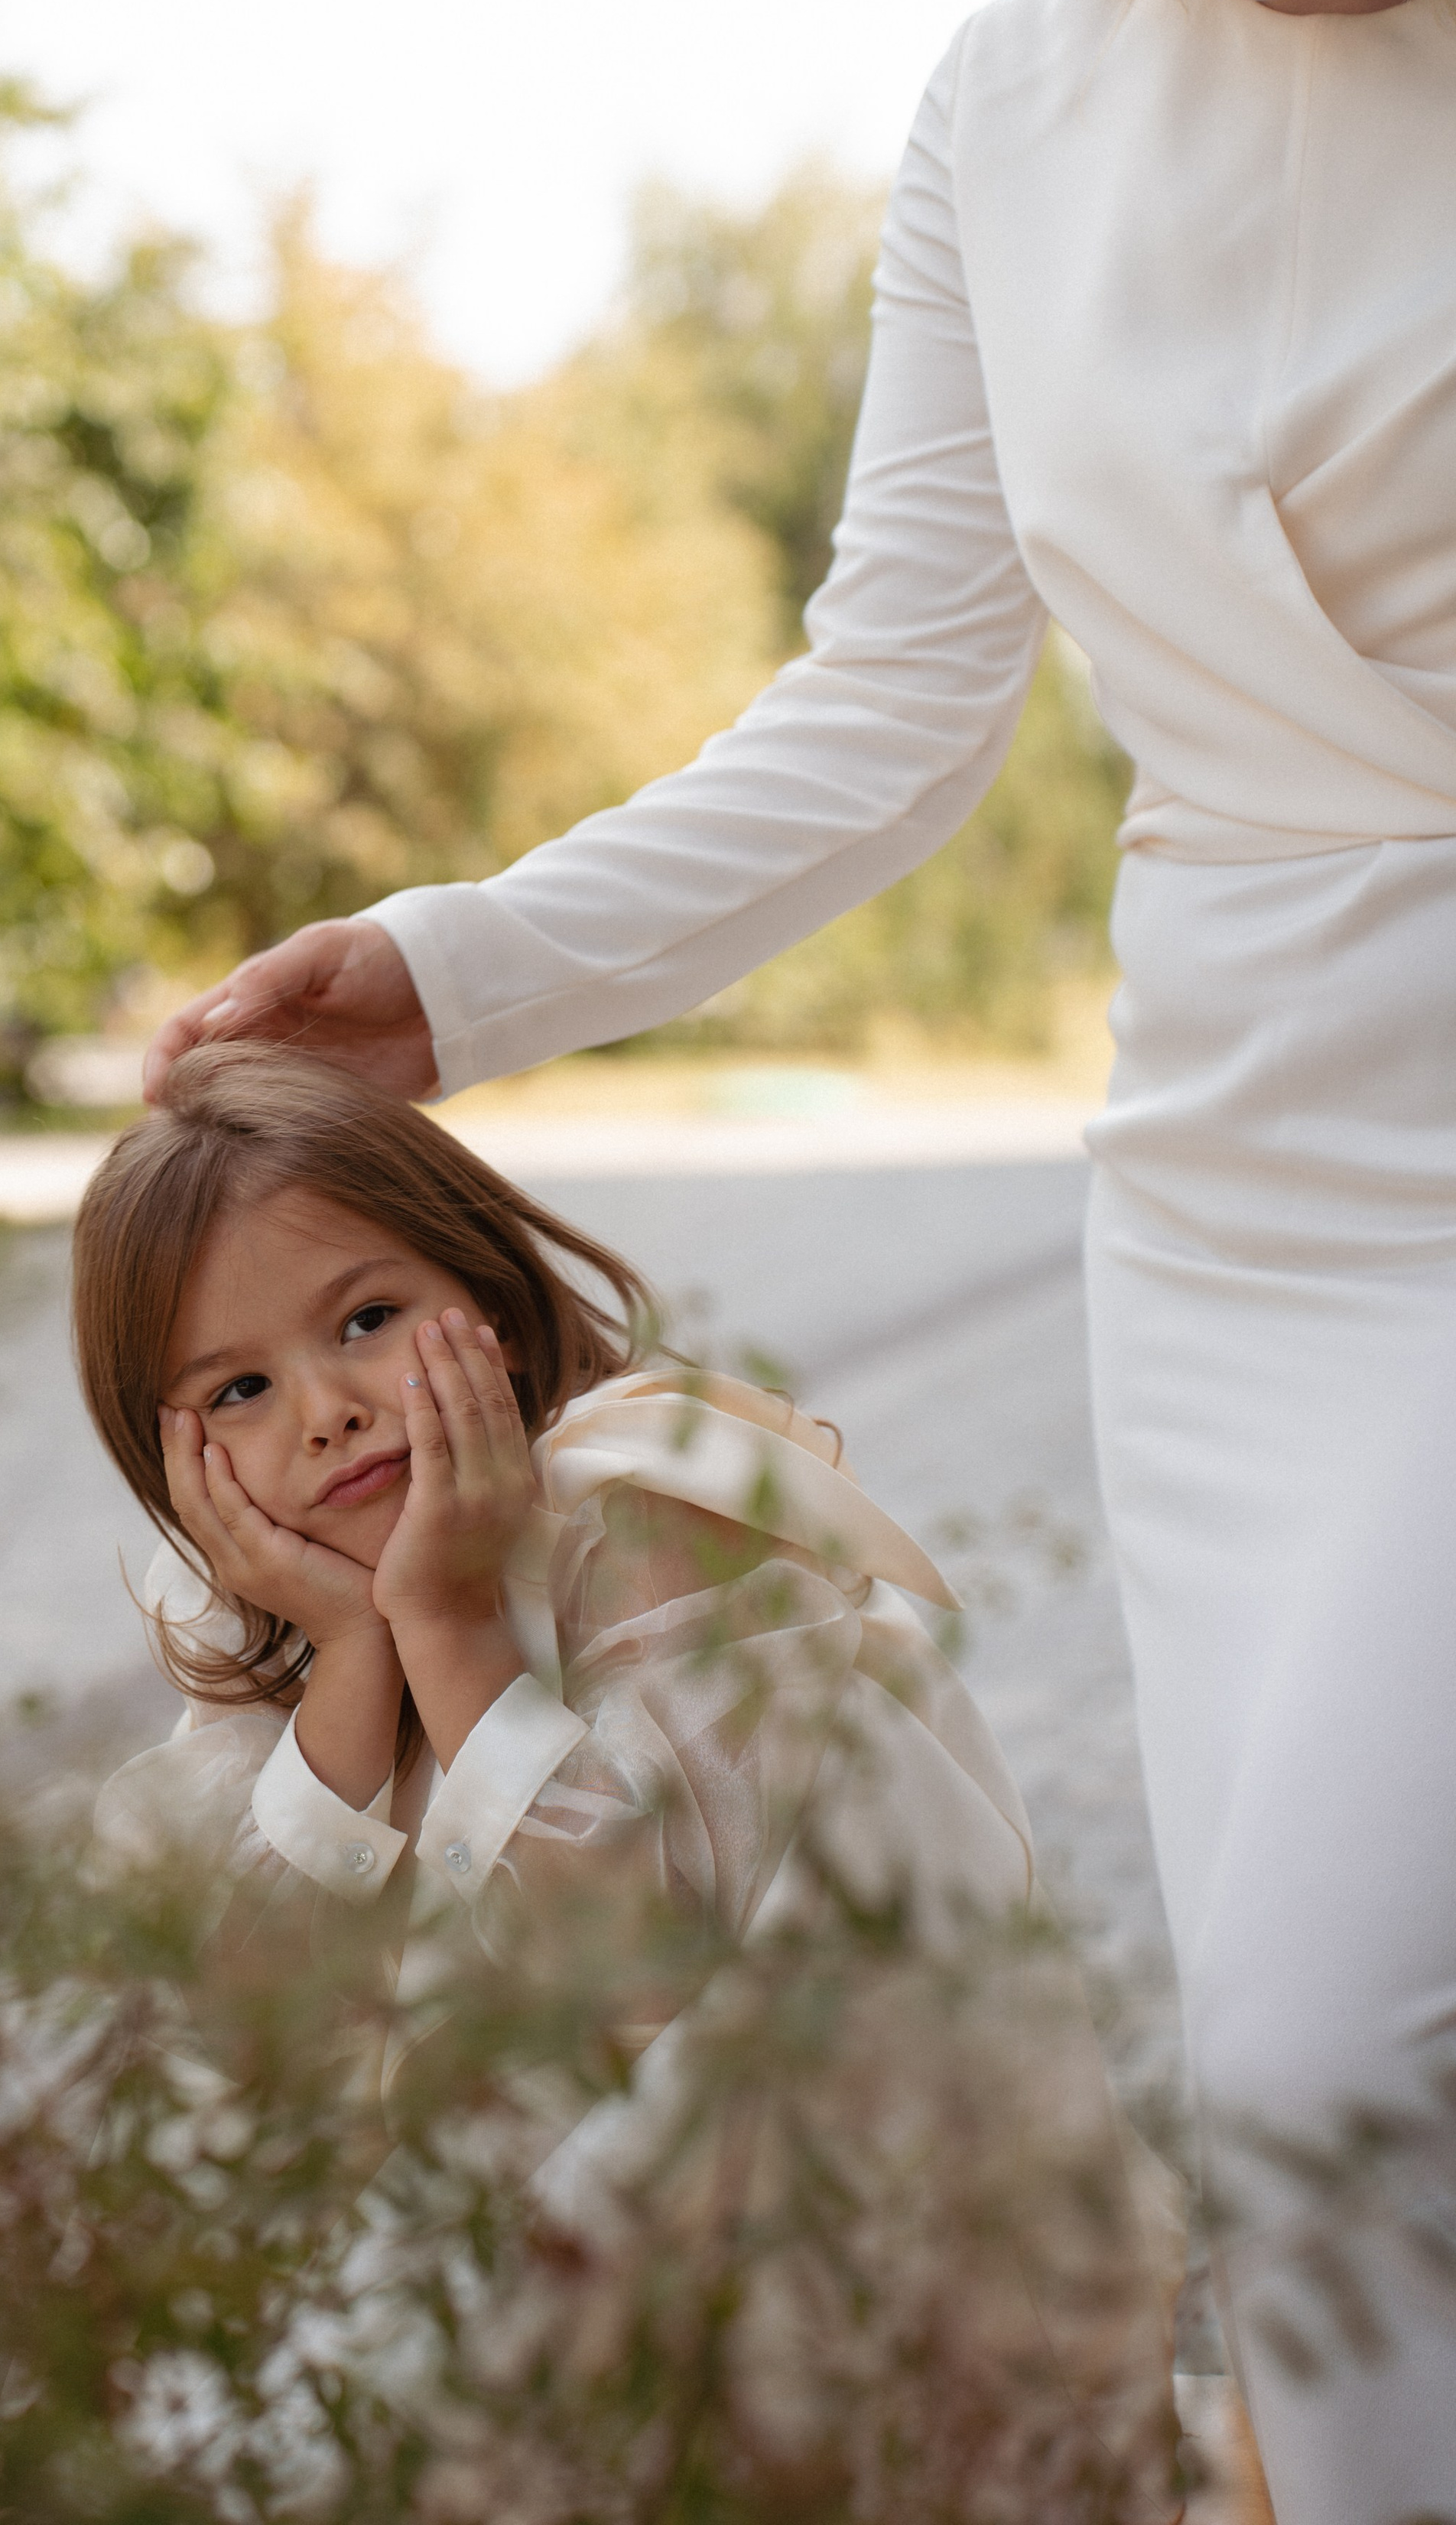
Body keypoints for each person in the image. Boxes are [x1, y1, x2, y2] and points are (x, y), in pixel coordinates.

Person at [143, 0, 1456, 2512]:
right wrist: (458, 972)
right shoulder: (1011, 101)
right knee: (1333, 2063)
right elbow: (892, 700)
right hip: (1227, 1200)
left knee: (1313, 2042)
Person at [72, 1043, 1178, 2505]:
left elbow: (636, 1975)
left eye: (370, 1318)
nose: (325, 1410)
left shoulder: (647, 1520)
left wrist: (452, 1625)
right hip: (533, 2208)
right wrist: (355, 1652)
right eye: (239, 1392)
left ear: (493, 1301)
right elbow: (262, 2036)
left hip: (802, 2200)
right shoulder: (283, 1609)